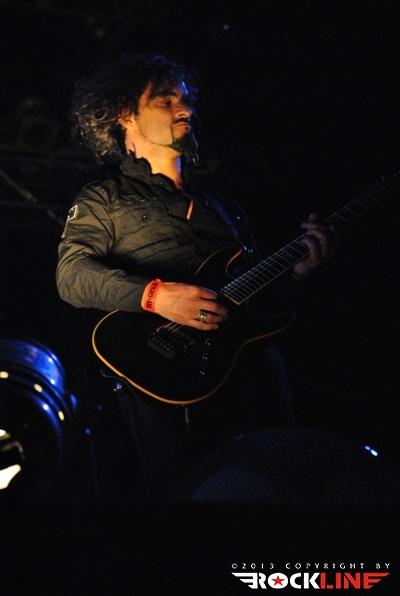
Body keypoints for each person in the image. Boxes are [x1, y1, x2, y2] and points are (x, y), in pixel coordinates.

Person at [56, 51, 336, 498]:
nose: (183, 107)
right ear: (125, 115)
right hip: (163, 373)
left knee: (278, 487)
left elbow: (260, 305)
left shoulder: (225, 207)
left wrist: (298, 273)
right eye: (166, 100)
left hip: (249, 372)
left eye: (185, 99)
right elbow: (72, 275)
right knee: (189, 501)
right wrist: (156, 296)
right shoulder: (103, 198)